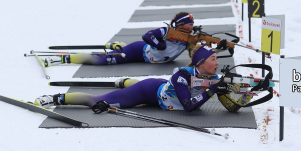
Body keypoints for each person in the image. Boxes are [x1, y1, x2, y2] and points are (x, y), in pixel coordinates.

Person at [35, 45, 254, 113]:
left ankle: (125, 81)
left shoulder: (214, 77)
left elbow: (231, 108)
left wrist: (244, 96)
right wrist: (212, 91)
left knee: (136, 85)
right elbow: (188, 106)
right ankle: (54, 98)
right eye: (213, 59)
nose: (217, 64)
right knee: (98, 100)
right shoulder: (182, 76)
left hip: (163, 90)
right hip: (149, 93)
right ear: (200, 63)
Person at [48, 12, 227, 66]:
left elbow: (199, 55)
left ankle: (119, 47)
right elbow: (147, 36)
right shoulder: (166, 31)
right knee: (104, 61)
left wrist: (221, 47)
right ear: (180, 25)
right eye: (189, 23)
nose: (192, 25)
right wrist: (160, 43)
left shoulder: (190, 38)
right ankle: (65, 58)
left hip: (152, 57)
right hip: (139, 52)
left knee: (116, 52)